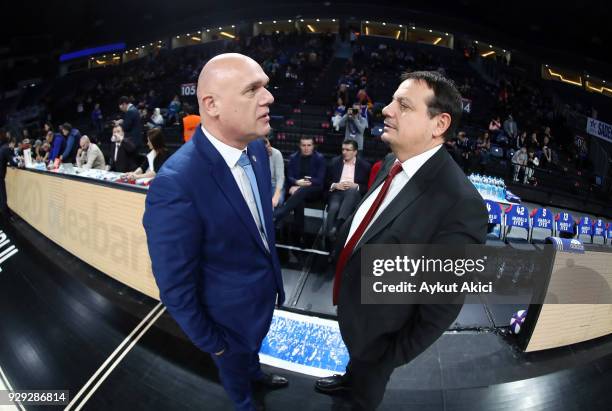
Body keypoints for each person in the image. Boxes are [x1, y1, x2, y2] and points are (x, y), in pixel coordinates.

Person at [314, 71, 488, 410]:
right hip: (355, 310)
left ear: (439, 124)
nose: (386, 110)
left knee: (364, 390)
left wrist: (386, 357)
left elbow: (441, 307)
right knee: (357, 365)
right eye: (393, 101)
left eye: (403, 105)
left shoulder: (461, 203)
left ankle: (360, 391)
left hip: (381, 337)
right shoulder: (393, 161)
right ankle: (350, 377)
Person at [143, 53, 287, 411]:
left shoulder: (254, 147)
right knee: (236, 375)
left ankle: (256, 374)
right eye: (253, 89)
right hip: (226, 325)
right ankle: (244, 402)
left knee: (250, 361)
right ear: (212, 105)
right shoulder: (176, 184)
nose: (268, 97)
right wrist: (213, 342)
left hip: (261, 299)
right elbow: (174, 285)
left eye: (265, 87)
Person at [273, 136, 326, 230]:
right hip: (297, 191)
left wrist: (300, 185)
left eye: (309, 145)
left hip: (314, 191)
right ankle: (298, 232)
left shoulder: (320, 158)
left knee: (301, 192)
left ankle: (278, 214)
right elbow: (289, 177)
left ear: (313, 146)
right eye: (303, 145)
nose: (306, 148)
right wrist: (297, 182)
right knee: (299, 200)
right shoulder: (293, 157)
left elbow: (319, 180)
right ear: (299, 146)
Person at [324, 139, 371, 239]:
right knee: (333, 208)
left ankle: (338, 225)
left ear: (355, 152)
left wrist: (356, 186)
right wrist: (335, 185)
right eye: (343, 149)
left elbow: (367, 187)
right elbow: (326, 181)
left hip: (355, 195)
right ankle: (330, 235)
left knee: (351, 191)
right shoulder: (334, 162)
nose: (344, 152)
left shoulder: (365, 166)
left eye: (348, 150)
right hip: (337, 192)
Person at [0, 130, 17, 220]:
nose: (14, 147)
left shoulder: (4, 147)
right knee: (3, 196)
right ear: (12, 143)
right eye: (14, 145)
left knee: (2, 196)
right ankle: (6, 217)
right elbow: (13, 162)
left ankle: (6, 214)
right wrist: (18, 164)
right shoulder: (6, 149)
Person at [263, 137, 285, 208]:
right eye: (266, 148)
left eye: (269, 146)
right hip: (262, 184)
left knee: (278, 200)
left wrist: (276, 195)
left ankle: (274, 218)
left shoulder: (277, 154)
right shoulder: (254, 155)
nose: (269, 149)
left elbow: (280, 178)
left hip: (274, 184)